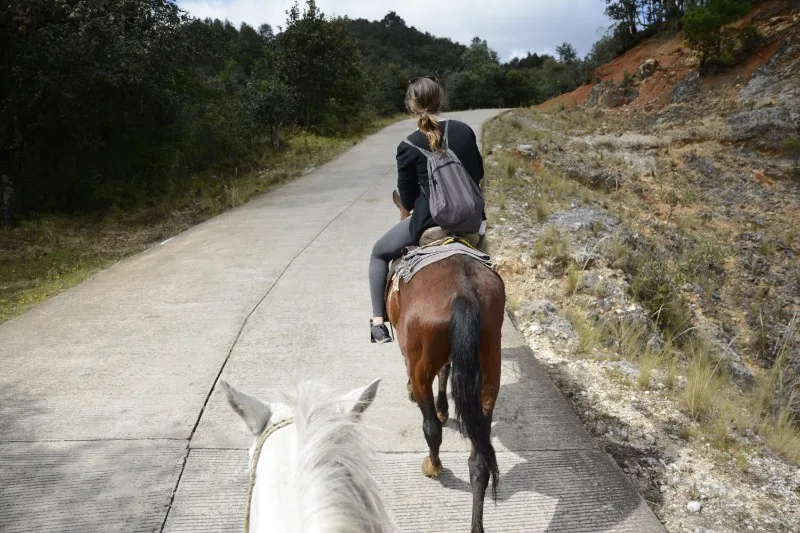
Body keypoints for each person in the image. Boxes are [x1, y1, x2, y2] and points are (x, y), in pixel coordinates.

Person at [368, 76, 486, 344]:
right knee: (484, 255)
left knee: (378, 253)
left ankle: (377, 323)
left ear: (411, 105)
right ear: (440, 98)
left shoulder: (408, 146)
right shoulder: (464, 130)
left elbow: (407, 203)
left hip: (431, 223)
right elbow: (477, 174)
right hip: (471, 221)